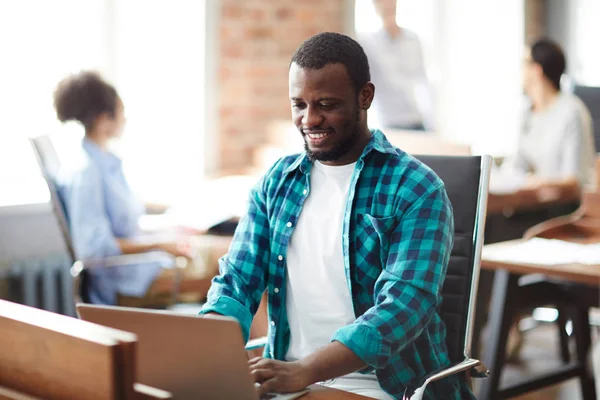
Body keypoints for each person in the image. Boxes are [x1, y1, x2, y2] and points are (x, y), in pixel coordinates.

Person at [200, 32, 473, 399]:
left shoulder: (417, 189)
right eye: (299, 104)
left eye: (326, 104)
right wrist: (203, 350)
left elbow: (403, 308)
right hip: (287, 379)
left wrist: (305, 371)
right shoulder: (276, 182)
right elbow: (237, 281)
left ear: (365, 96)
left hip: (382, 386)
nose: (309, 119)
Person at [473, 38, 596, 361]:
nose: (521, 70)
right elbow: (519, 166)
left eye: (524, 63)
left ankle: (490, 330)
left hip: (565, 209)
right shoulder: (527, 112)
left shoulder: (571, 112)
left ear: (537, 70)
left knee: (494, 232)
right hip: (532, 203)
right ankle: (480, 332)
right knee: (482, 223)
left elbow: (573, 183)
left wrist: (534, 183)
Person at [53, 71, 192, 305]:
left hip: (140, 267)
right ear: (103, 119)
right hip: (125, 278)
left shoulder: (103, 163)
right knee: (240, 268)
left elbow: (124, 217)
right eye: (122, 112)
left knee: (228, 254)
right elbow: (97, 248)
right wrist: (160, 244)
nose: (125, 120)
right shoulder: (86, 173)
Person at [357, 0, 434, 131]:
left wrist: (432, 118)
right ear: (375, 6)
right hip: (388, 122)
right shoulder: (368, 43)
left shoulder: (413, 39)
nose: (387, 5)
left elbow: (422, 80)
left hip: (418, 119)